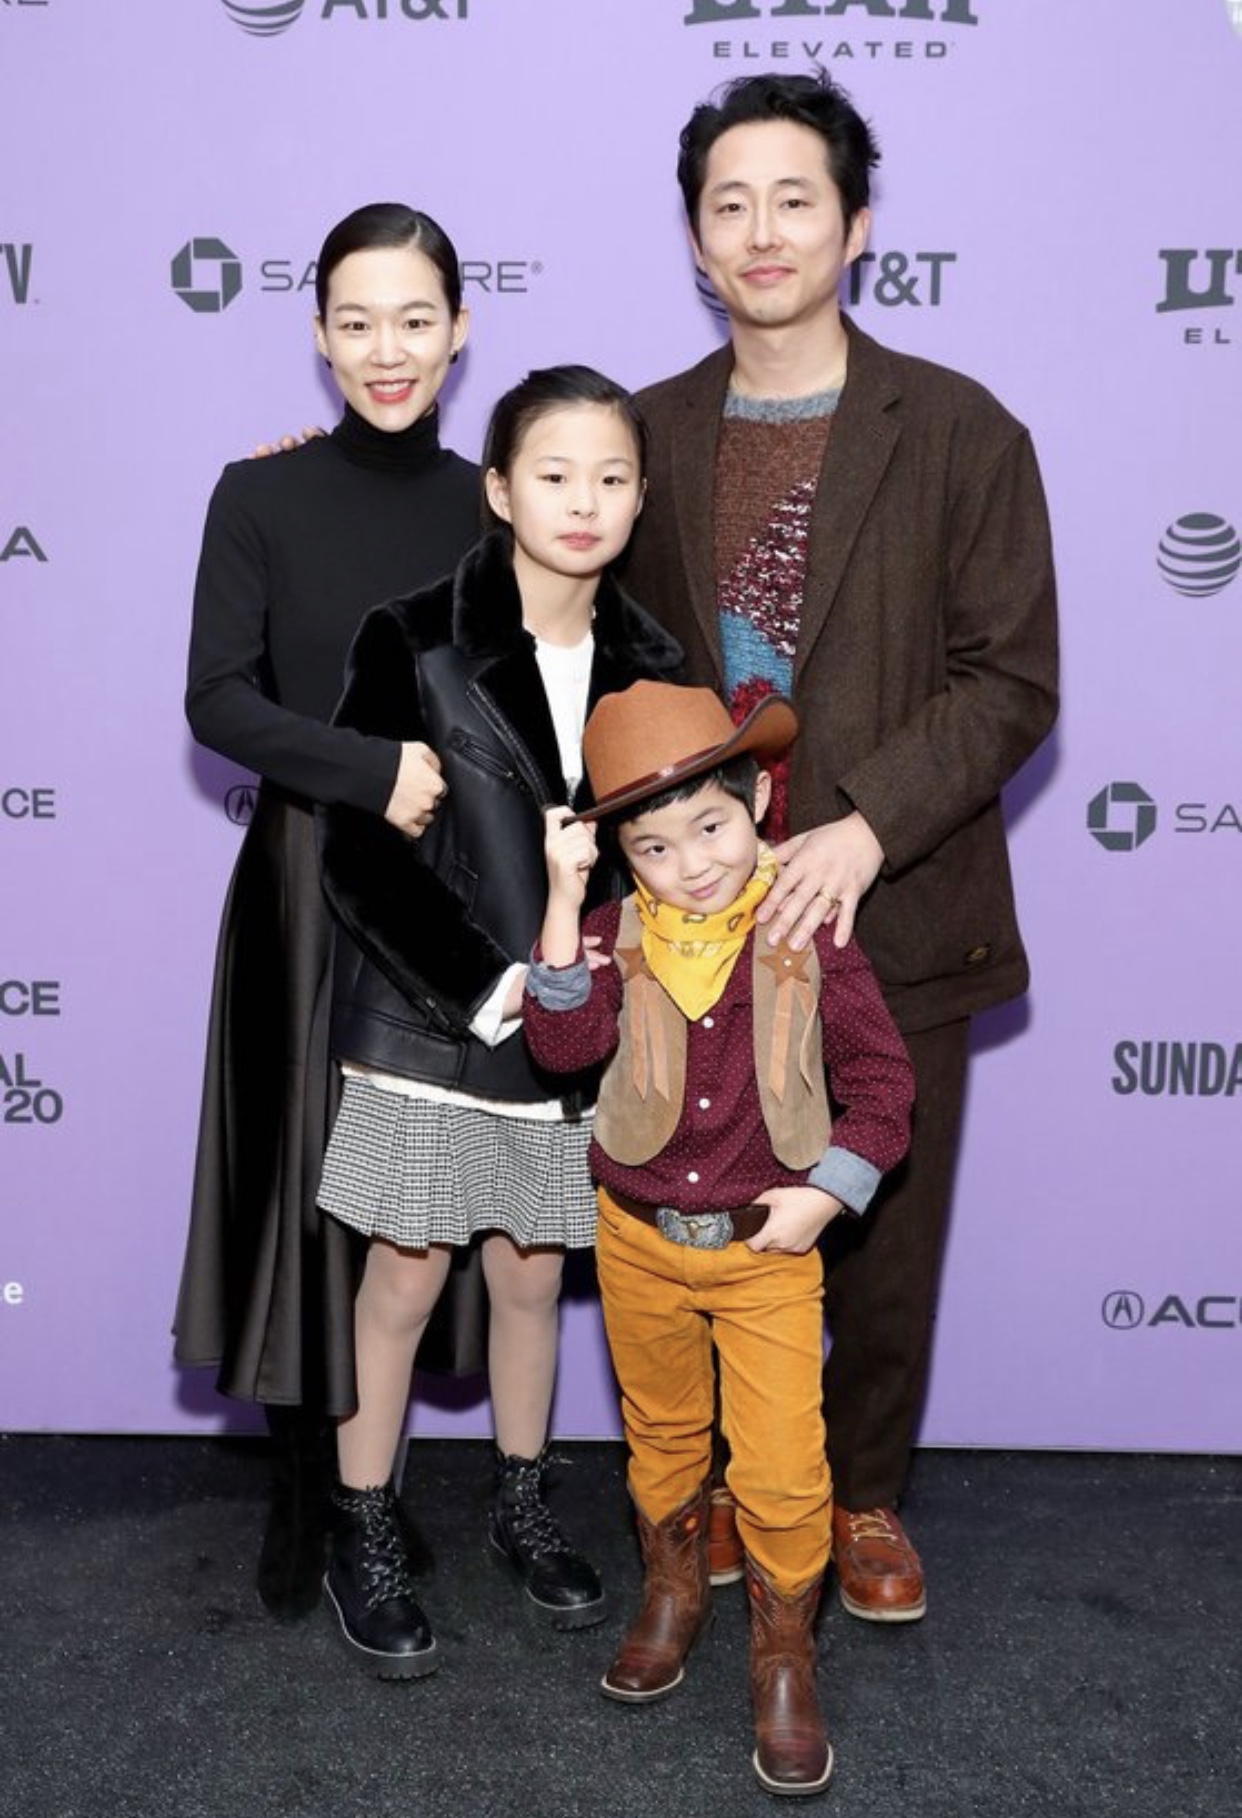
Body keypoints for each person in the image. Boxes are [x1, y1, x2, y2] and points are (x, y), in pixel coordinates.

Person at [622, 71, 1059, 1621]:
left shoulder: (957, 428)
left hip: (897, 898)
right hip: (691, 920)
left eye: (794, 199)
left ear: (856, 225)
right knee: (697, 1220)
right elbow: (551, 596)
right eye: (728, 202)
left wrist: (865, 827)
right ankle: (719, 1483)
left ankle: (861, 1492)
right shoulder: (645, 433)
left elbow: (1009, 678)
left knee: (880, 1226)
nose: (762, 230)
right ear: (695, 237)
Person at [313, 366, 684, 1678]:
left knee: (533, 1272)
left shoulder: (657, 665)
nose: (583, 501)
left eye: (611, 477)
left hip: (577, 1034)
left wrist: (600, 982)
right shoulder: (412, 639)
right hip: (435, 1017)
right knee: (405, 1276)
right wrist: (490, 984)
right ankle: (360, 1523)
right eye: (554, 473)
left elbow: (667, 861)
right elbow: (359, 856)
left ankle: (523, 1503)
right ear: (498, 490)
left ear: (640, 497)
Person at [524, 680, 913, 1796]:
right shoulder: (608, 936)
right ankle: (674, 1590)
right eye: (653, 848)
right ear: (620, 859)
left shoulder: (806, 929)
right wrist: (562, 905)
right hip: (636, 1240)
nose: (691, 864)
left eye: (711, 827)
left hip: (767, 1252)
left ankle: (784, 1654)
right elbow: (562, 1052)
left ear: (759, 806)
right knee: (661, 1435)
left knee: (784, 1468)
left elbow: (885, 1084)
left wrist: (827, 1196)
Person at [173, 202, 479, 1622]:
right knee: (309, 1187)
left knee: (415, 1205)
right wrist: (372, 769)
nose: (386, 349)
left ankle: (371, 1489)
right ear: (318, 335)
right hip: (307, 884)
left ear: (461, 328)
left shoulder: (494, 501)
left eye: (414, 318)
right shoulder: (259, 497)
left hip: (452, 891)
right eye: (356, 322)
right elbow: (217, 699)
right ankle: (308, 1488)